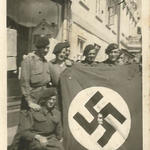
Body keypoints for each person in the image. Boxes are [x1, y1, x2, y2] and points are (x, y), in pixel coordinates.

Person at [10, 36, 53, 150]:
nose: (46, 50)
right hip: (31, 100)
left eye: (48, 48)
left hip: (41, 99)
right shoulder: (28, 60)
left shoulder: (45, 62)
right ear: (38, 47)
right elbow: (24, 82)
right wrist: (29, 102)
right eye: (44, 48)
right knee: (24, 129)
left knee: (35, 129)